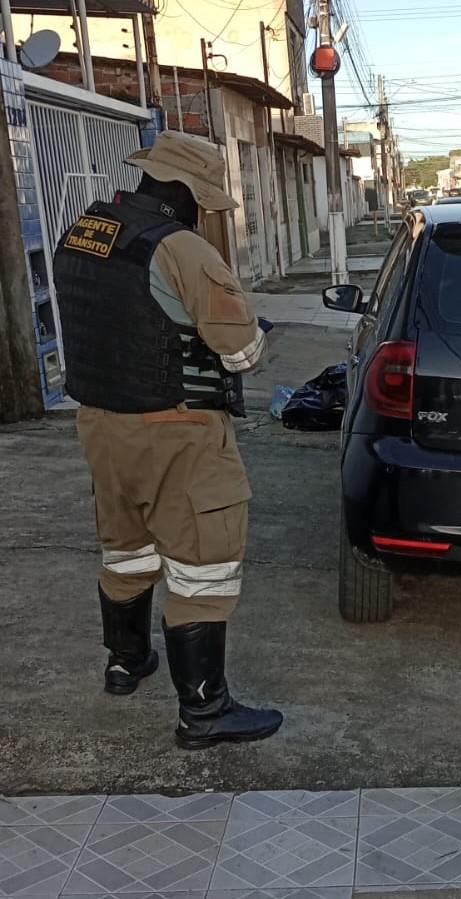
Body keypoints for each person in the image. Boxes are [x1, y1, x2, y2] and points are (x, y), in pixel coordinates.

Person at [53, 131, 282, 750]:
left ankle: (126, 662)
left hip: (101, 427)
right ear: (188, 195)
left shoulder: (85, 231)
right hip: (176, 433)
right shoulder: (183, 248)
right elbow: (243, 353)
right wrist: (254, 330)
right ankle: (204, 713)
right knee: (203, 568)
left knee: (126, 551)